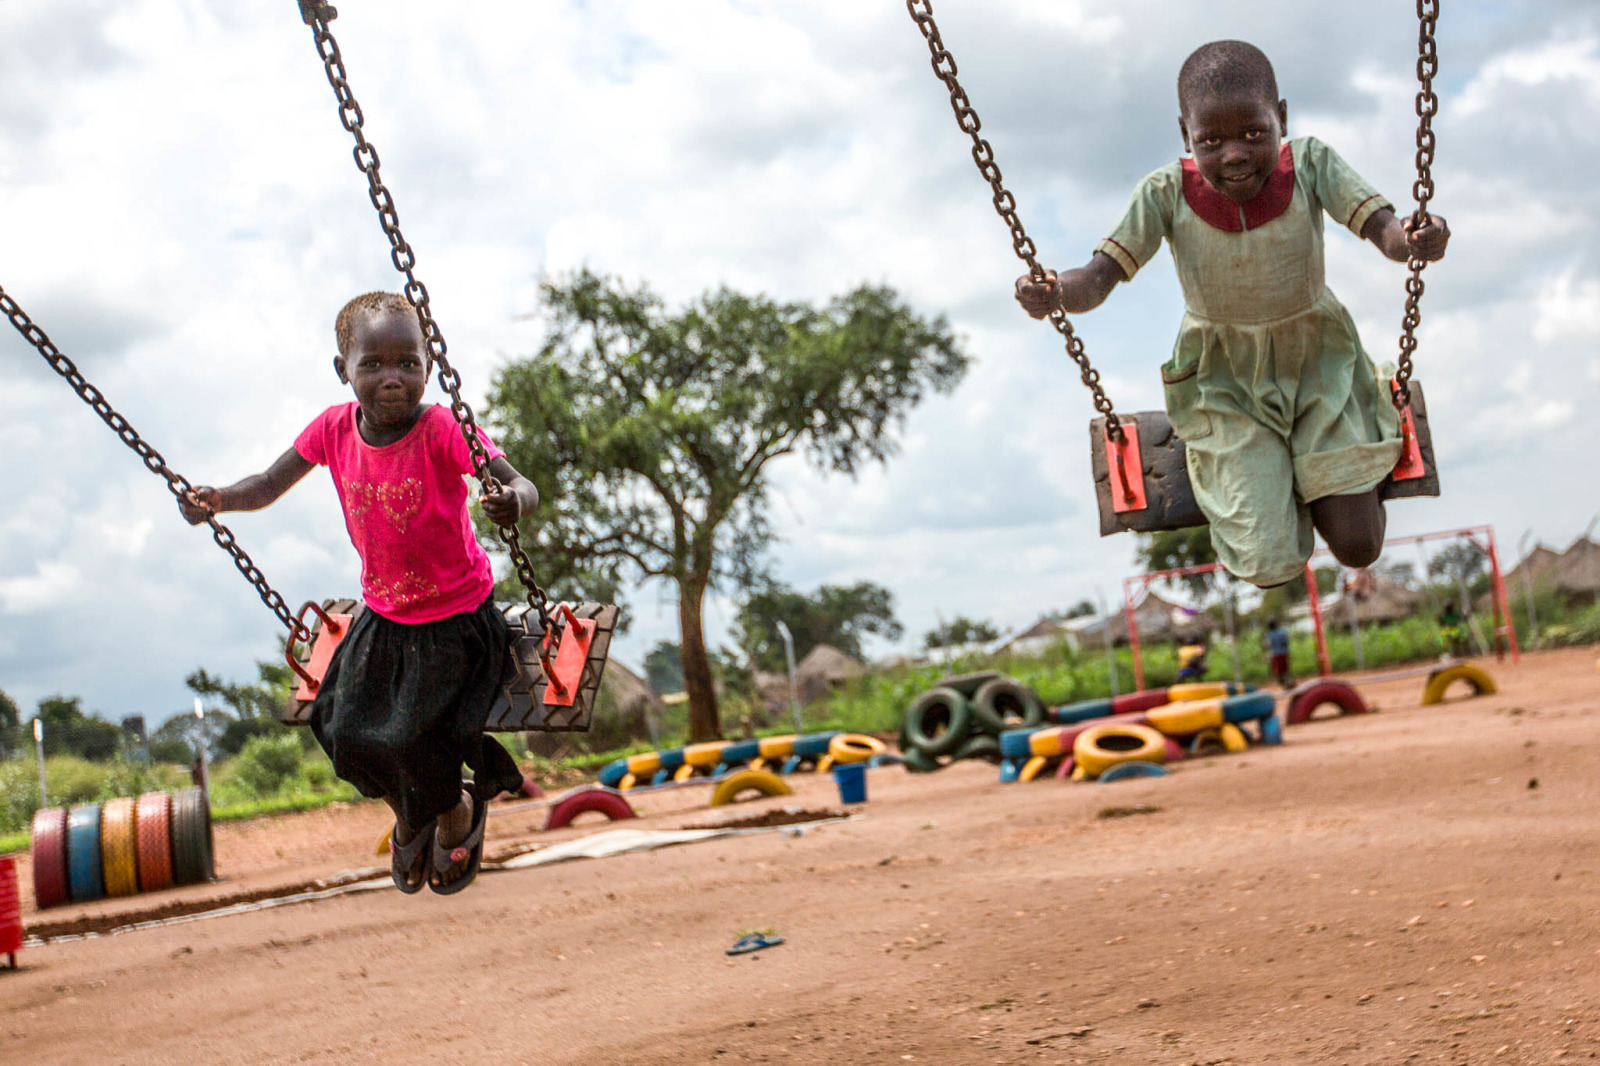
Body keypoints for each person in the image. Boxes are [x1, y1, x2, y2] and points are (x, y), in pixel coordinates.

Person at [1016, 41, 1449, 589]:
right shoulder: (1163, 193)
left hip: (1321, 365)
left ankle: (1325, 458)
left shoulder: (1312, 162)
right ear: (1185, 135)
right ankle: (1275, 471)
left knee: (1359, 547)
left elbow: (1384, 230)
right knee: (1268, 566)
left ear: (1281, 118)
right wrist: (1054, 289)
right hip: (1225, 387)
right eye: (1210, 141)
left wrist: (1413, 239)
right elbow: (1097, 278)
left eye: (1253, 133)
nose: (1234, 154)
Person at [179, 292, 535, 895]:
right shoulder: (332, 429)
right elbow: (268, 483)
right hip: (385, 616)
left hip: (456, 618)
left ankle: (454, 813)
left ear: (429, 365)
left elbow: (520, 483)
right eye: (373, 364)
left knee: (418, 734)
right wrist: (219, 499)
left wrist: (510, 503)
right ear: (343, 368)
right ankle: (410, 814)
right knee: (341, 729)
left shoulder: (443, 428)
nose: (393, 378)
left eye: (409, 363)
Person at [1264, 617, 1294, 689]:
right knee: (1286, 669)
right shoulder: (1282, 632)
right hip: (1284, 653)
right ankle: (1289, 682)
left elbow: (1267, 645)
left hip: (1276, 655)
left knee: (1279, 671)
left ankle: (1285, 683)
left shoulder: (1269, 634)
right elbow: (1286, 642)